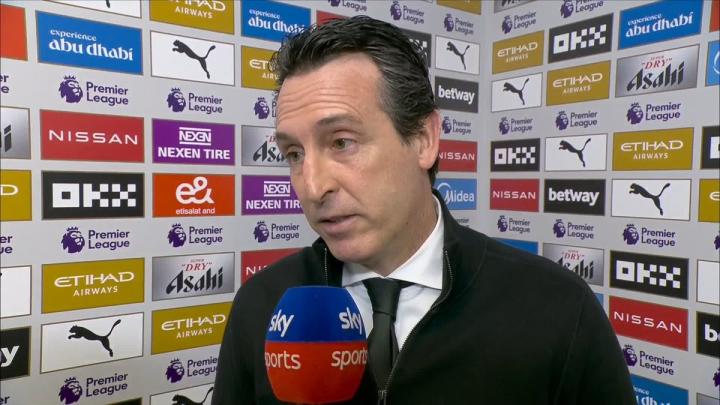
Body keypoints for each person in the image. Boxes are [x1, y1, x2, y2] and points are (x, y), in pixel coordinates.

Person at [213, 16, 634, 405]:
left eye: (342, 142)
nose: (312, 186)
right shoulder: (263, 305)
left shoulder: (556, 308)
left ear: (423, 139)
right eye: (294, 153)